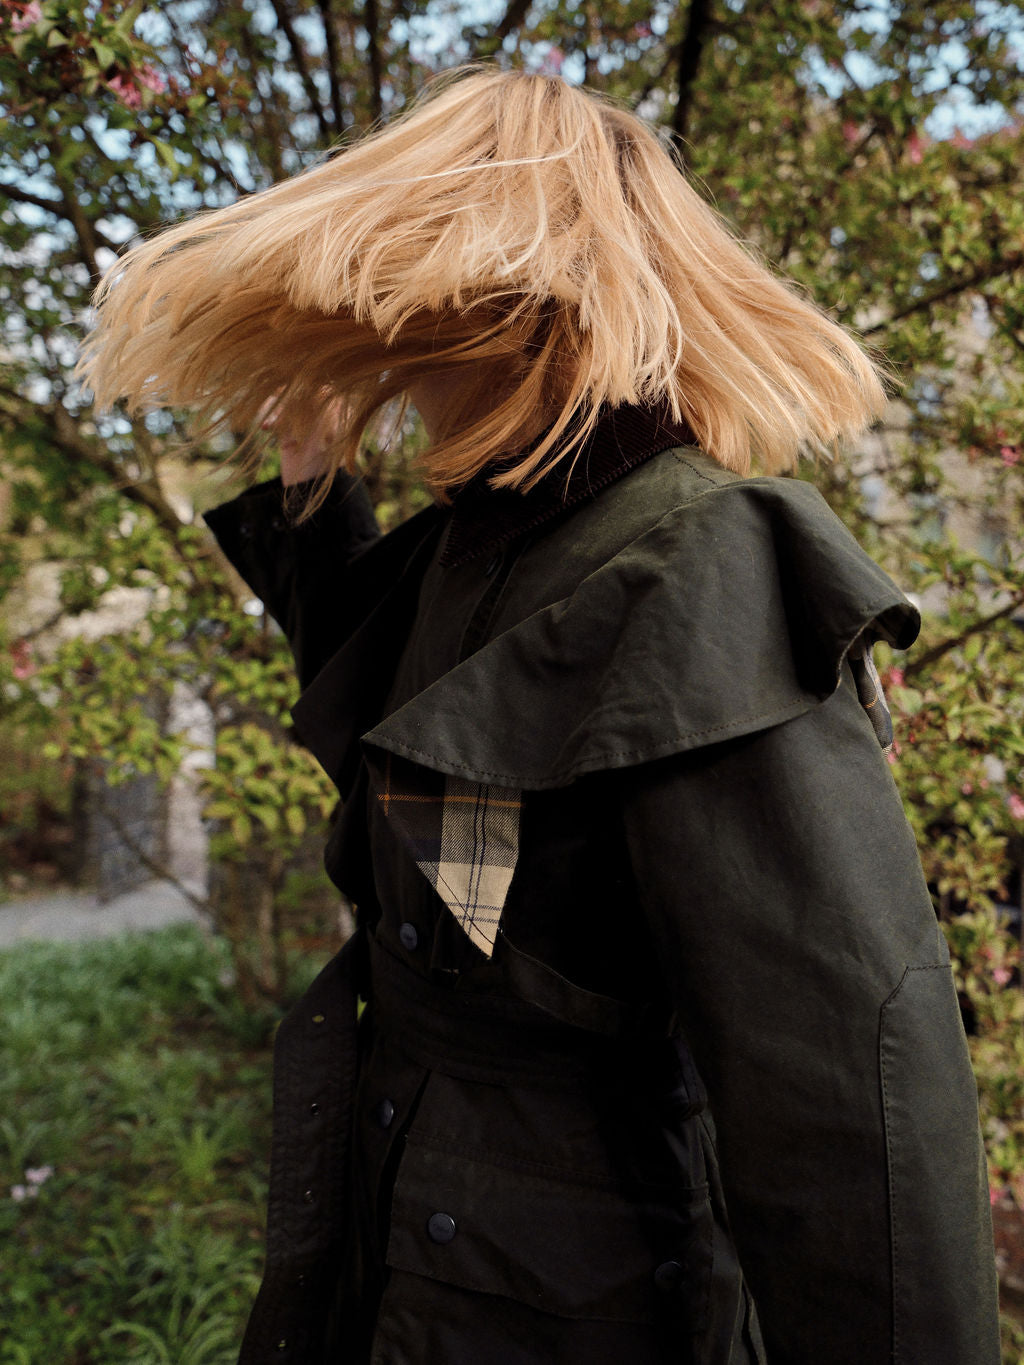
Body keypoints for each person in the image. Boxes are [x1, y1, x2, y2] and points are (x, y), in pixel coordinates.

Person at [79, 66, 1000, 1365]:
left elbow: (851, 1097)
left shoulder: (701, 567)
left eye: (414, 306)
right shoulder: (492, 542)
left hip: (590, 1307)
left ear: (507, 308)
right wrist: (309, 469)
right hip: (407, 1254)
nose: (396, 352)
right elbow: (407, 718)